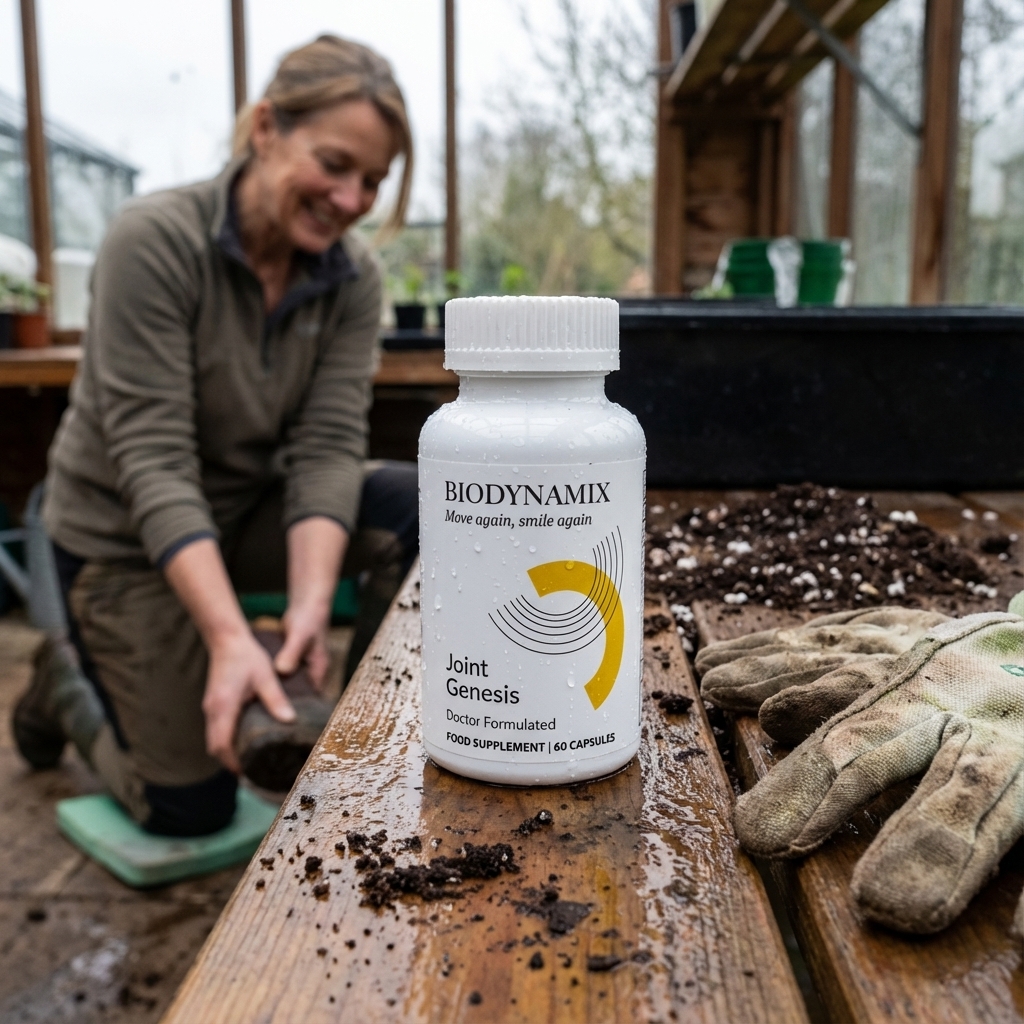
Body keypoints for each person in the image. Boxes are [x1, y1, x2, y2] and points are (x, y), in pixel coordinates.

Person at [12, 35, 419, 837]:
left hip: (242, 514)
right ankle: (61, 683)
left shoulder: (351, 279)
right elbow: (152, 461)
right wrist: (230, 638)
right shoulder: (154, 241)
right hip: (122, 540)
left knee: (429, 504)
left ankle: (345, 727)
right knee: (189, 808)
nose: (351, 199)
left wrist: (307, 609)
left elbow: (329, 445)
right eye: (335, 164)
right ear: (266, 127)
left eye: (372, 181)